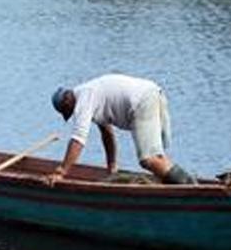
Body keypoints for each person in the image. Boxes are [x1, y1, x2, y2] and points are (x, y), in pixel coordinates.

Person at [48, 73, 197, 185]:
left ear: (67, 102)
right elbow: (107, 134)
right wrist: (112, 167)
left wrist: (61, 172)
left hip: (141, 101)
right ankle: (187, 185)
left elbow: (78, 140)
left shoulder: (83, 100)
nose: (72, 114)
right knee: (157, 157)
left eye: (68, 111)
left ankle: (190, 187)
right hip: (151, 93)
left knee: (149, 159)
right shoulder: (89, 96)